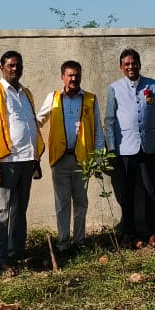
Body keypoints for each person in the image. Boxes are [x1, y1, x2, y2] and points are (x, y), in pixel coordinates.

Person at [0, 50, 44, 275]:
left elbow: (30, 126)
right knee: (2, 212)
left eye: (18, 65)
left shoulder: (25, 93)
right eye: (10, 65)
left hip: (26, 161)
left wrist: (36, 160)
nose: (15, 69)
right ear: (2, 68)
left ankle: (15, 254)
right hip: (6, 163)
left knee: (19, 211)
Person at [36, 59, 106, 255]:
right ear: (62, 77)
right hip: (59, 159)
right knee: (62, 202)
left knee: (81, 200)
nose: (74, 78)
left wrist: (99, 157)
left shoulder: (90, 99)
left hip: (82, 159)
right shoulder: (53, 98)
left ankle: (80, 240)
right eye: (70, 75)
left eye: (77, 75)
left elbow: (98, 130)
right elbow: (38, 121)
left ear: (81, 76)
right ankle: (63, 242)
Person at [104, 48, 155, 248]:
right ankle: (130, 234)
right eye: (127, 64)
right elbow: (109, 120)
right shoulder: (114, 88)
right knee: (127, 194)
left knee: (150, 191)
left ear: (140, 64)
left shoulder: (151, 85)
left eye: (134, 63)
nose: (131, 67)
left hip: (148, 147)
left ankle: (153, 232)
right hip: (125, 150)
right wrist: (112, 148)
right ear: (121, 67)